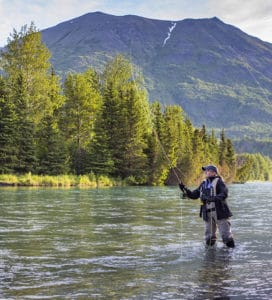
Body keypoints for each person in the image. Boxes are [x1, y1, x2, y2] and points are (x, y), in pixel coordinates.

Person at [179, 165, 235, 248]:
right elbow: (194, 195)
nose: (206, 172)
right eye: (206, 171)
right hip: (207, 214)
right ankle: (210, 258)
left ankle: (230, 253)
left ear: (214, 173)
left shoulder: (219, 182)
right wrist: (184, 189)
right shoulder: (203, 183)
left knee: (226, 236)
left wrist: (212, 199)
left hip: (220, 213)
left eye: (208, 170)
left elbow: (224, 194)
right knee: (209, 238)